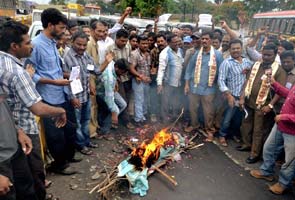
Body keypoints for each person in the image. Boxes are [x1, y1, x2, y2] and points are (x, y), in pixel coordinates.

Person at [0, 20, 68, 199]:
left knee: (18, 178)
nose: (32, 47)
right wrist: (60, 111)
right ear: (14, 46)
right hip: (23, 131)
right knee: (34, 173)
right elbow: (37, 108)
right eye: (28, 43)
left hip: (13, 129)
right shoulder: (17, 72)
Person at [28, 8, 78, 175]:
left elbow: (53, 69)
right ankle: (59, 165)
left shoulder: (52, 43)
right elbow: (31, 74)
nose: (64, 31)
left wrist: (66, 75)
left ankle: (68, 157)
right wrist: (53, 82)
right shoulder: (35, 45)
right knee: (55, 134)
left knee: (68, 128)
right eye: (62, 28)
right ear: (50, 25)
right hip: (48, 97)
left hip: (61, 93)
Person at [250, 51, 295, 194]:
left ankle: (283, 184)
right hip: (280, 126)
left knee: (290, 160)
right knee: (269, 148)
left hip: (292, 131)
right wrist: (275, 84)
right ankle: (266, 172)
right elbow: (289, 95)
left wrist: (284, 117)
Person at [238, 43, 287, 164]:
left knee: (258, 130)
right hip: (249, 101)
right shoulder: (256, 64)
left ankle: (255, 154)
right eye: (264, 54)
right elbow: (247, 81)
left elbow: (279, 91)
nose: (265, 57)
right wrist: (242, 97)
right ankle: (246, 145)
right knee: (246, 125)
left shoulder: (279, 71)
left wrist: (270, 105)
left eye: (269, 55)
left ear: (275, 55)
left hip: (263, 105)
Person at [63, 31, 101, 155]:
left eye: (84, 45)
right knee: (78, 124)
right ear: (72, 42)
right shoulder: (67, 58)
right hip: (75, 97)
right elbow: (66, 81)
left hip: (85, 95)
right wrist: (72, 98)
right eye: (79, 44)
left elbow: (95, 70)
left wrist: (106, 62)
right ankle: (80, 145)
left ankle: (86, 141)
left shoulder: (85, 56)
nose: (82, 48)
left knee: (86, 121)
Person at [184, 31, 223, 142]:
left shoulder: (217, 55)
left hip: (209, 88)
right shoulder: (196, 54)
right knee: (193, 108)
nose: (204, 41)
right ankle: (194, 125)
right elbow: (189, 69)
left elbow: (221, 72)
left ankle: (210, 131)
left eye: (206, 39)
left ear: (211, 40)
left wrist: (220, 87)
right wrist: (186, 84)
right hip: (194, 87)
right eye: (203, 39)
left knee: (208, 112)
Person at [0, 88, 37, 200]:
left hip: (14, 149)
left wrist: (18, 131)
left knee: (27, 192)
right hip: (1, 163)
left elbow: (4, 109)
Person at [218, 39, 253, 146]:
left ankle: (233, 134)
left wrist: (249, 71)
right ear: (230, 50)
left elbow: (254, 72)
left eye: (238, 48)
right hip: (232, 96)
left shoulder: (247, 61)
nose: (235, 50)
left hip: (243, 97)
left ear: (241, 49)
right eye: (233, 49)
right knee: (227, 118)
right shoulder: (226, 63)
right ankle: (222, 135)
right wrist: (228, 95)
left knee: (238, 119)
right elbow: (221, 80)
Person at [157, 34, 184, 122]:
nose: (177, 44)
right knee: (166, 102)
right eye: (174, 42)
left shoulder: (180, 50)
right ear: (168, 43)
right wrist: (159, 84)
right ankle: (164, 119)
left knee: (176, 101)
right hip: (168, 82)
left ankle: (174, 118)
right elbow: (161, 70)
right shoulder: (164, 53)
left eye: (178, 42)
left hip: (178, 82)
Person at [130, 35, 151, 124]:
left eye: (146, 43)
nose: (145, 45)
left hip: (147, 80)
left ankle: (143, 116)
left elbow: (148, 67)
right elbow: (131, 68)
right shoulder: (134, 54)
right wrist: (140, 76)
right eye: (143, 43)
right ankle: (138, 119)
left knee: (145, 99)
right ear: (138, 44)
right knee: (139, 99)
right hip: (138, 81)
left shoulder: (148, 53)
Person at [150, 34, 168, 122]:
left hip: (167, 79)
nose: (160, 43)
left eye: (162, 41)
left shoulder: (170, 51)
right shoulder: (154, 51)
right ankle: (153, 114)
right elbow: (152, 66)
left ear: (165, 41)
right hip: (155, 78)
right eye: (158, 42)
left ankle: (163, 115)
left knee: (165, 98)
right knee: (154, 96)